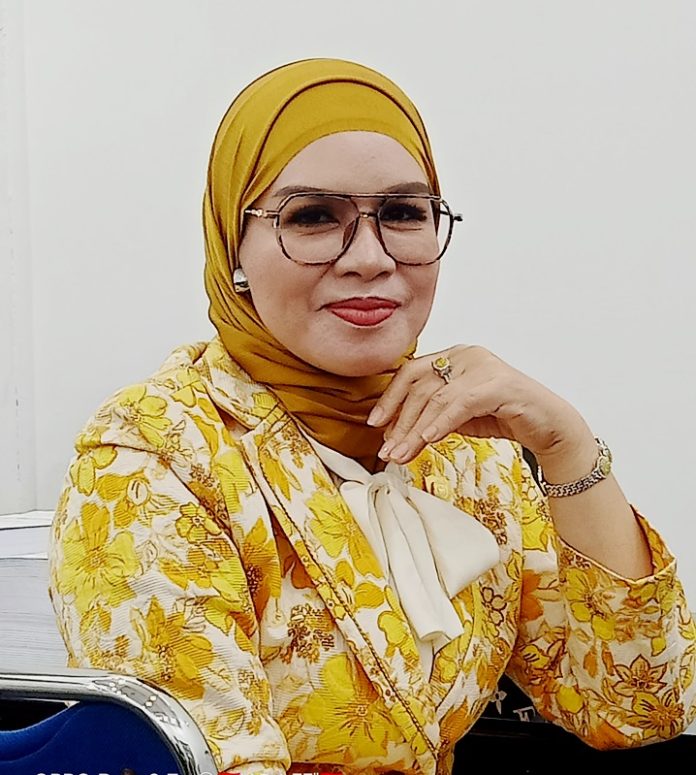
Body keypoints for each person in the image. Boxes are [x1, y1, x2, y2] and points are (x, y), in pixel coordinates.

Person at [48, 58, 696, 775]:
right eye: (311, 216)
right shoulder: (156, 455)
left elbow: (641, 709)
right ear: (233, 246)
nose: (369, 258)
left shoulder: (463, 446)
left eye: (403, 214)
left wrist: (566, 444)